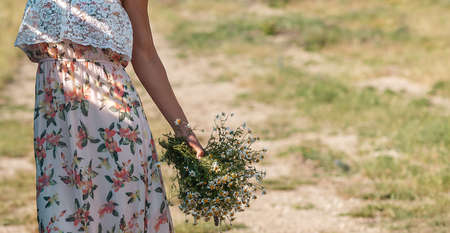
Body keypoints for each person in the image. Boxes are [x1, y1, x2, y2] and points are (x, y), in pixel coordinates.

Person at [14, 0, 205, 232]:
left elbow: (145, 54)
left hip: (115, 129)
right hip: (57, 133)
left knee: (120, 221)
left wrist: (183, 129)